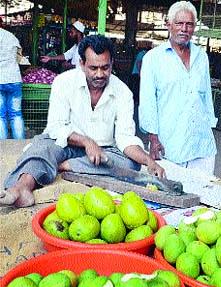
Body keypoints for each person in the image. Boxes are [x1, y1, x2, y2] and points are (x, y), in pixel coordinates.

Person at [0, 35, 165, 208]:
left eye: (105, 68)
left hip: (102, 153)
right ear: (81, 63)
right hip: (64, 145)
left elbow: (125, 138)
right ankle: (21, 189)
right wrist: (86, 141)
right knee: (41, 147)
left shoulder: (123, 92)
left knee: (131, 164)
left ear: (112, 63)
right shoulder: (63, 82)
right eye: (93, 68)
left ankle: (62, 166)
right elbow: (56, 126)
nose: (100, 74)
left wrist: (149, 161)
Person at [139, 1, 217, 175]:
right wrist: (153, 138)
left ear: (194, 28)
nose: (184, 29)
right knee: (171, 196)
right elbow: (147, 102)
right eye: (179, 23)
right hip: (169, 144)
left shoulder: (201, 56)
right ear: (169, 25)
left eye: (189, 24)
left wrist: (210, 125)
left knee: (203, 196)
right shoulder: (153, 58)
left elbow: (206, 96)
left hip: (201, 144)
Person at [0, 17, 25, 139]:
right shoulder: (11, 37)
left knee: (0, 116)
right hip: (14, 78)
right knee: (16, 114)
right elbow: (19, 57)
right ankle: (20, 146)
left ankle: (3, 147)